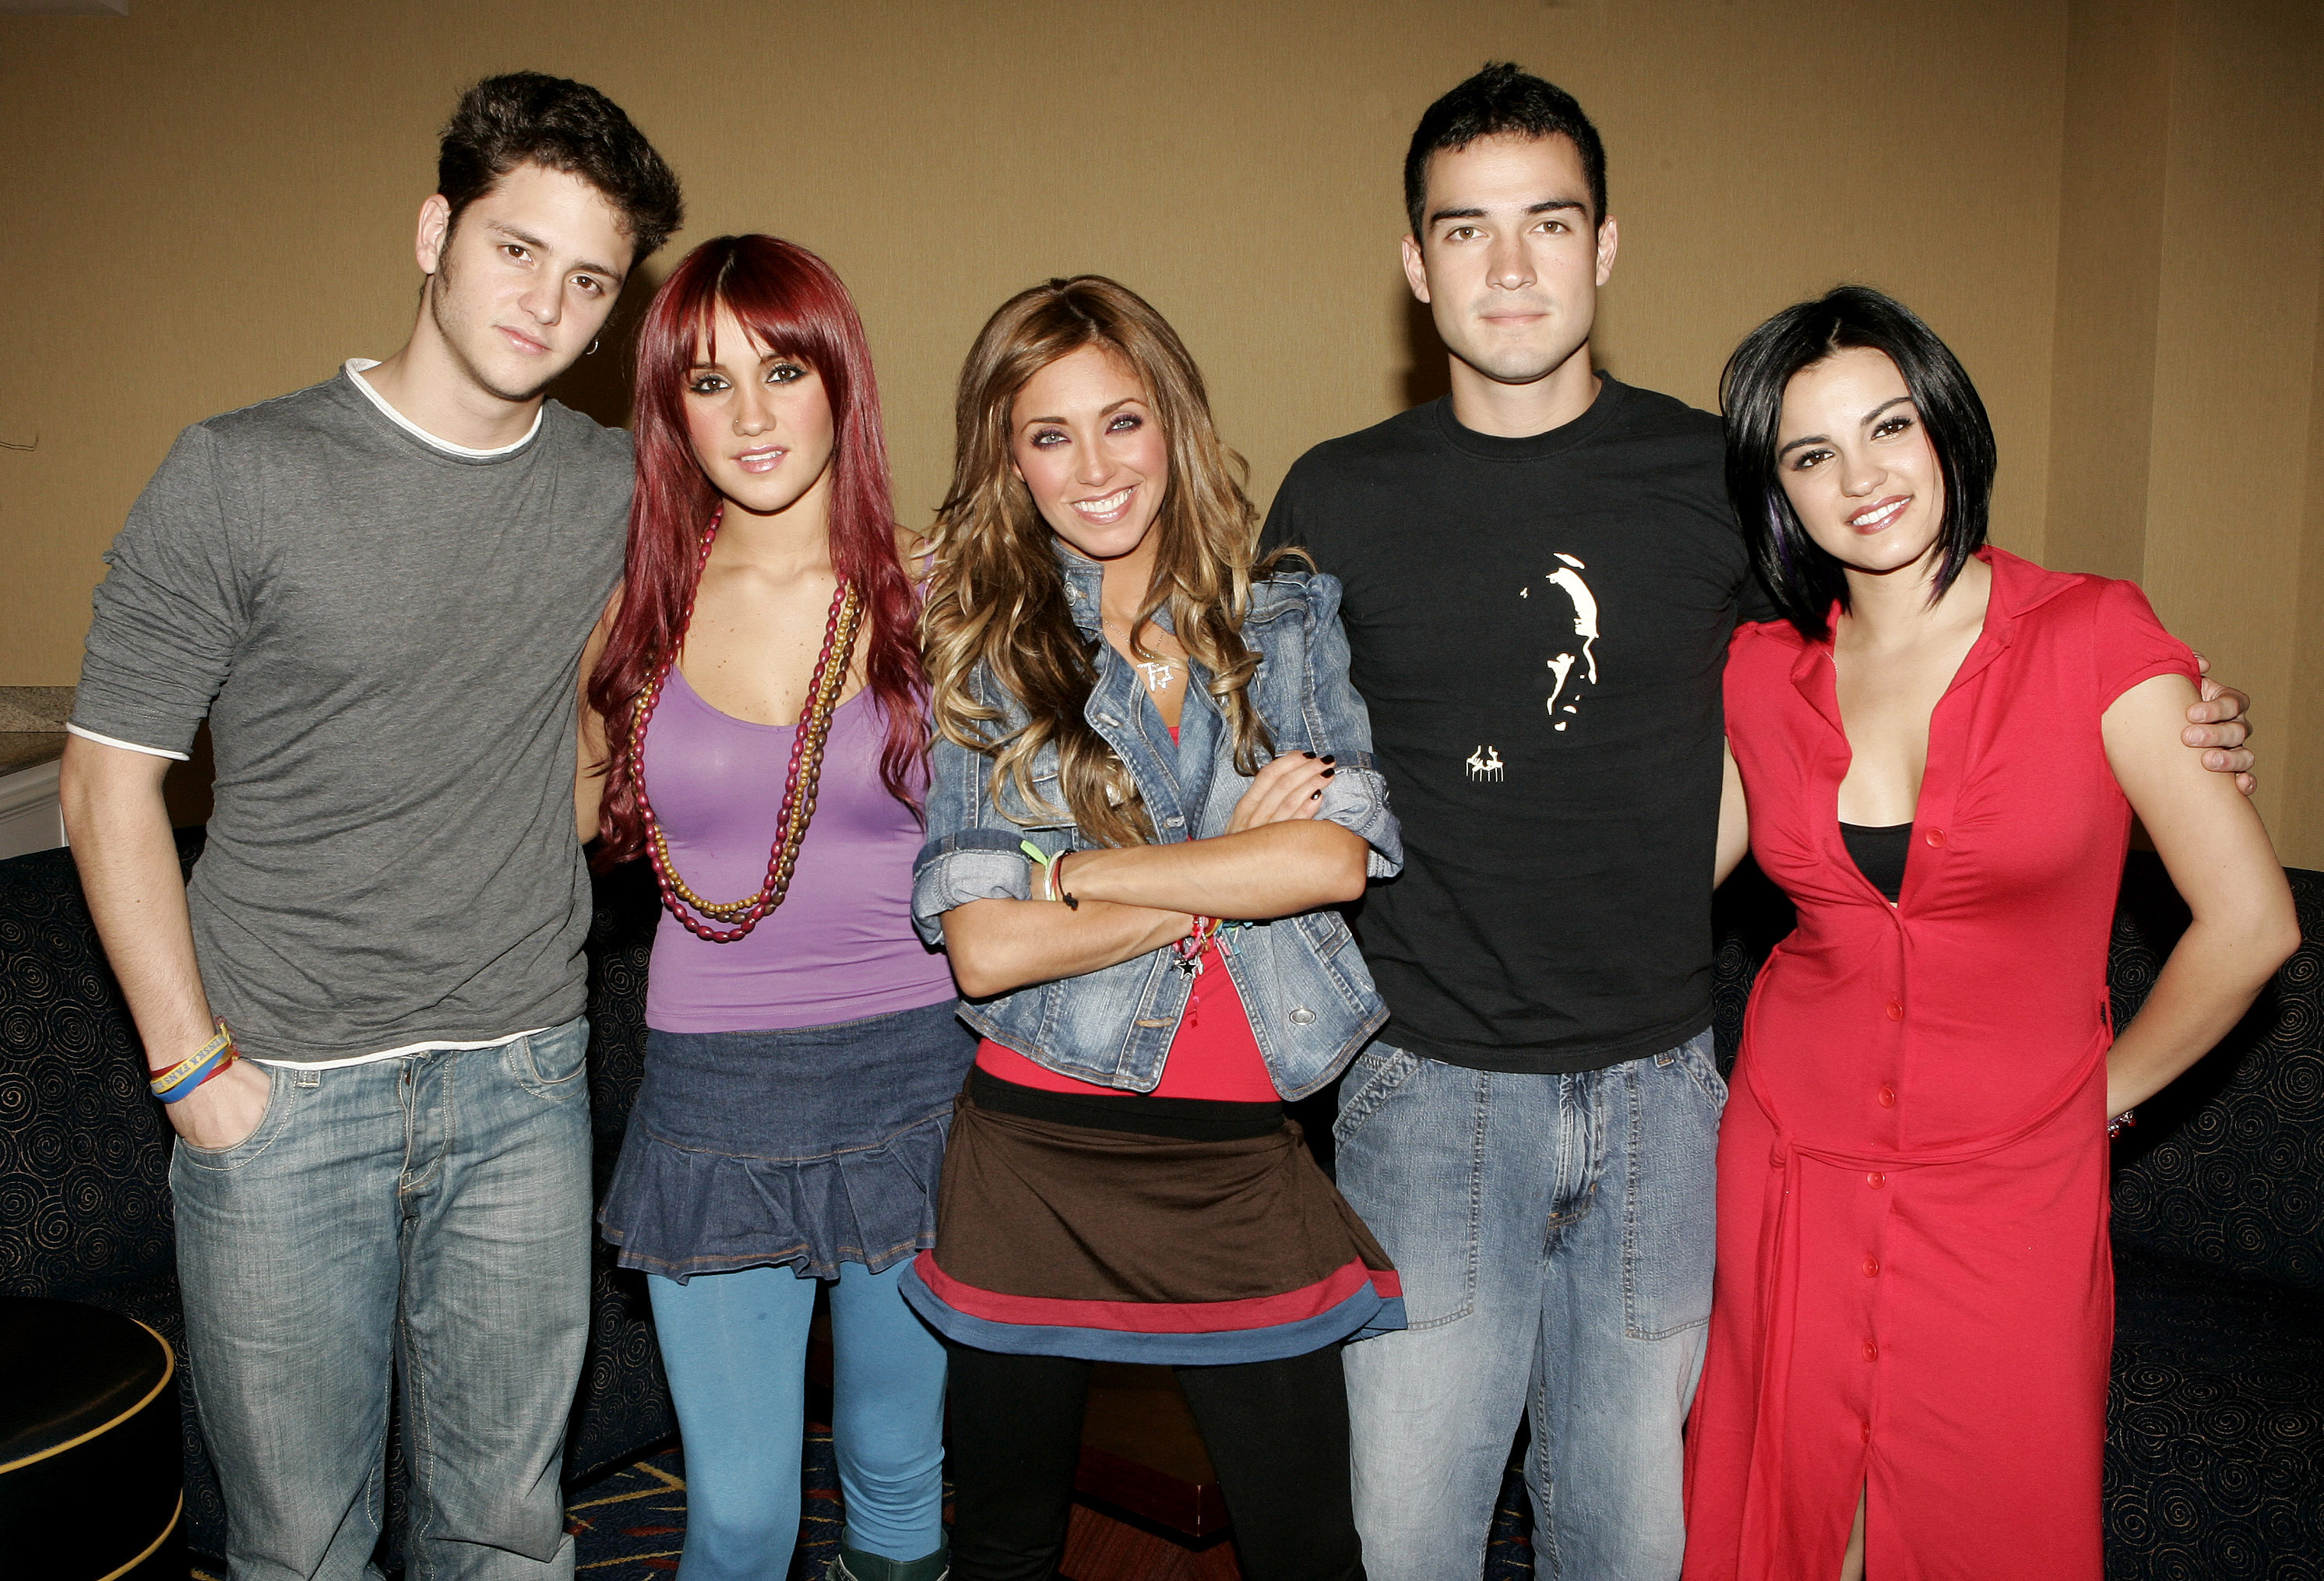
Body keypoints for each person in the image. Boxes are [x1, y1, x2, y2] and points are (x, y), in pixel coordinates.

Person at [1262, 62, 2262, 1581]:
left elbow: (1928, 611)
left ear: (1607, 246)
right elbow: (1278, 758)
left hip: (1669, 1095)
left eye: (1549, 221)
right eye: (1467, 230)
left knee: (1634, 1534)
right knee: (1405, 1532)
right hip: (1430, 1090)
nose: (1512, 264)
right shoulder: (1333, 495)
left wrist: (2171, 715)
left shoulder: (1715, 482)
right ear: (1415, 265)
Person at [58, 74, 680, 1579]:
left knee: (507, 1530)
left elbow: (785, 575)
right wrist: (191, 1069)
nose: (546, 302)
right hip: (280, 1096)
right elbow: (104, 782)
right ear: (435, 231)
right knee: (299, 1543)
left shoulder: (616, 484)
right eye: (517, 248)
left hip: (524, 1079)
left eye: (589, 278)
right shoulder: (241, 472)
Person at [1681, 286, 2296, 1580]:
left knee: (1989, 1514)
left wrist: (2097, 1098)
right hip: (1791, 1157)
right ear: (1779, 492)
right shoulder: (1756, 671)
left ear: (1947, 427)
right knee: (1791, 1526)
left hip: (2013, 1187)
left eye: (1889, 424)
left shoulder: (2095, 636)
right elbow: (1644, 892)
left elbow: (2250, 923)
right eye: (1812, 453)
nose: (1864, 475)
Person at [903, 276, 1406, 1581]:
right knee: (1008, 1549)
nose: (1094, 467)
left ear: (1174, 423)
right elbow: (984, 951)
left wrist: (1074, 877)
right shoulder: (983, 650)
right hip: (1033, 1157)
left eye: (1122, 421)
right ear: (1007, 463)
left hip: (1241, 1162)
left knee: (1311, 1553)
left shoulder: (1285, 618)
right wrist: (1233, 859)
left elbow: (1337, 859)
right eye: (1047, 434)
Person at [579, 235, 965, 1581]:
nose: (748, 415)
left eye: (781, 370)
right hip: (714, 1103)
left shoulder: (937, 593)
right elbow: (543, 822)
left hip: (918, 1080)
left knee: (898, 1477)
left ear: (840, 382)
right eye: (706, 381)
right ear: (668, 413)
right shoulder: (636, 608)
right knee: (739, 1516)